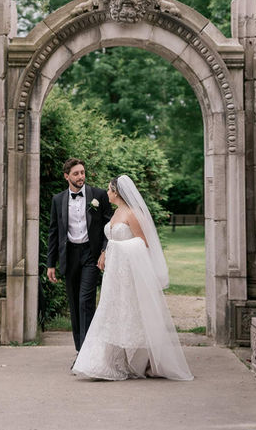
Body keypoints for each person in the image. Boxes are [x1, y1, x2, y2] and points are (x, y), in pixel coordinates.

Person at [72, 175, 194, 381]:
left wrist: (115, 248)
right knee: (111, 313)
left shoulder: (133, 214)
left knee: (131, 314)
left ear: (117, 192)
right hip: (114, 274)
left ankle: (139, 361)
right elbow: (111, 237)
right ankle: (107, 361)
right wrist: (104, 252)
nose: (107, 193)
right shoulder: (116, 212)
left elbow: (143, 243)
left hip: (129, 274)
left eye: (109, 190)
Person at [47, 158, 113, 353]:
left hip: (90, 255)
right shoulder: (58, 200)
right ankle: (80, 350)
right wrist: (51, 264)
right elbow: (54, 233)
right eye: (76, 174)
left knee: (86, 301)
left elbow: (109, 225)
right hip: (70, 256)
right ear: (67, 176)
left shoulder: (99, 195)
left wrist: (104, 250)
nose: (80, 177)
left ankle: (88, 352)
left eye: (82, 172)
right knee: (75, 304)